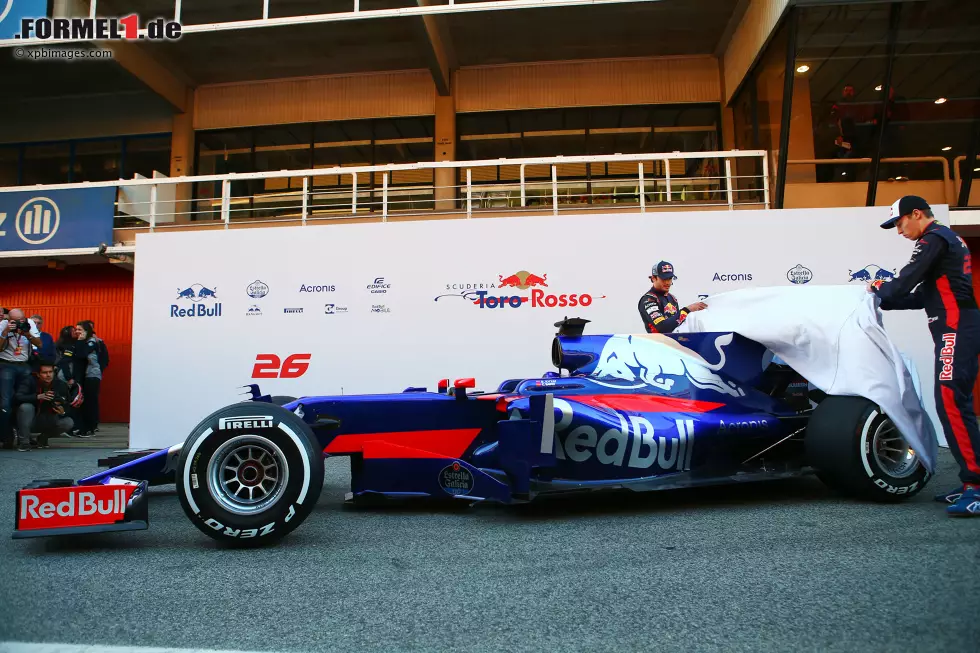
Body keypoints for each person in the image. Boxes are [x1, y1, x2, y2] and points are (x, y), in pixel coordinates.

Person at [871, 195, 980, 517]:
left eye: (900, 223)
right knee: (952, 404)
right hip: (957, 327)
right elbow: (922, 296)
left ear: (917, 214)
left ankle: (975, 485)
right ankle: (969, 482)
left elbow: (906, 281)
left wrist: (880, 290)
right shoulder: (945, 239)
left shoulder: (934, 239)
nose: (899, 231)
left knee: (951, 403)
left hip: (957, 328)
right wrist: (885, 300)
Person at [0, 309, 43, 449]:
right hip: (6, 365)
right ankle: (6, 437)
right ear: (9, 319)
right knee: (5, 403)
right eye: (15, 321)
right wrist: (6, 332)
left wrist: (26, 334)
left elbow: (40, 344)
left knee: (24, 400)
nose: (19, 323)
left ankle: (24, 437)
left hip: (24, 365)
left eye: (21, 320)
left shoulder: (29, 324)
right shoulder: (3, 325)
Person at [13, 359, 76, 451]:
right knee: (26, 407)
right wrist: (37, 397)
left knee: (68, 422)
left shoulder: (60, 385)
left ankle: (43, 438)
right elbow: (17, 397)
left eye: (50, 372)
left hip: (49, 419)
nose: (48, 375)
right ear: (38, 374)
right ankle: (24, 443)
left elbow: (68, 405)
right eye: (44, 372)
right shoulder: (30, 381)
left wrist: (62, 411)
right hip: (30, 420)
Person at [637, 261, 707, 334]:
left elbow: (677, 325)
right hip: (658, 343)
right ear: (654, 278)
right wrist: (687, 310)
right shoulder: (648, 300)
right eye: (664, 279)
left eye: (670, 278)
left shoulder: (672, 298)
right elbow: (662, 327)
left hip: (674, 342)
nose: (667, 282)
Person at [73, 320, 103, 436]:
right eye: (76, 330)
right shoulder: (82, 342)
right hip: (84, 375)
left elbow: (81, 354)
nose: (77, 332)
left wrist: (80, 341)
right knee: (84, 402)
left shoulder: (91, 342)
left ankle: (89, 428)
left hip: (91, 375)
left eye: (80, 330)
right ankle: (83, 427)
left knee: (90, 402)